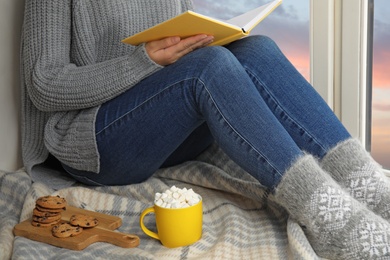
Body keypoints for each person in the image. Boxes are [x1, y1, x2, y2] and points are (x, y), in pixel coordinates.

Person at [21, 0, 390, 259]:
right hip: (96, 142)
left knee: (256, 49)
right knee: (208, 66)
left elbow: (178, 51)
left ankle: (368, 185)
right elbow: (44, 84)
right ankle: (327, 213)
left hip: (164, 132)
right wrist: (144, 60)